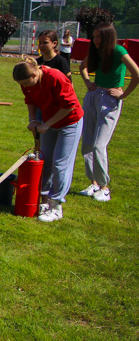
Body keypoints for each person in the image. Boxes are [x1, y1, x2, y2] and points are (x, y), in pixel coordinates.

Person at [13, 58, 83, 222]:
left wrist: (47, 124)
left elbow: (69, 105)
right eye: (21, 84)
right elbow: (30, 101)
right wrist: (33, 120)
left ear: (35, 73)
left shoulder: (55, 77)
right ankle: (44, 202)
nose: (25, 86)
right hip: (49, 123)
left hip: (70, 122)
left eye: (27, 82)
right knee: (45, 162)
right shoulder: (26, 83)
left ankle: (56, 205)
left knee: (60, 164)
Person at [78, 23, 139, 202]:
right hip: (93, 96)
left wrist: (123, 95)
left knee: (98, 145)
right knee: (87, 145)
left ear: (108, 37)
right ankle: (94, 183)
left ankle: (105, 187)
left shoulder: (119, 50)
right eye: (94, 36)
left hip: (110, 99)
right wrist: (88, 82)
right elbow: (82, 66)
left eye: (99, 37)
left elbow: (136, 73)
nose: (96, 40)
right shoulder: (97, 51)